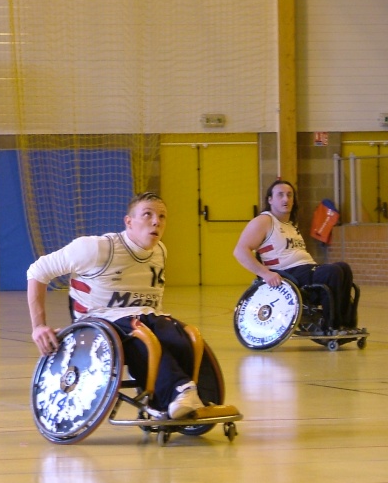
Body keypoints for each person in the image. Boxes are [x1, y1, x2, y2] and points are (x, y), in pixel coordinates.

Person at [28, 191, 236, 420]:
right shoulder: (96, 249)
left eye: (162, 216)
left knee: (182, 334)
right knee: (141, 332)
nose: (156, 221)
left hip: (143, 318)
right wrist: (39, 326)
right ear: (129, 222)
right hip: (97, 323)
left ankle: (170, 399)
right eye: (148, 215)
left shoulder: (160, 252)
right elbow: (37, 271)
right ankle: (180, 391)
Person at [233, 179, 357, 331]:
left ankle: (347, 323)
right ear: (270, 200)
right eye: (280, 195)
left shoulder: (291, 225)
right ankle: (331, 325)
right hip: (288, 274)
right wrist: (265, 273)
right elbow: (240, 251)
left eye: (289, 195)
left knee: (343, 268)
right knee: (333, 272)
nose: (286, 199)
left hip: (306, 270)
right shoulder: (264, 221)